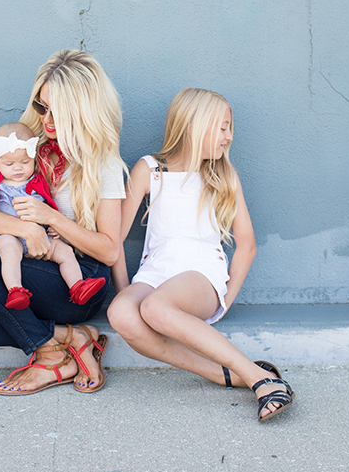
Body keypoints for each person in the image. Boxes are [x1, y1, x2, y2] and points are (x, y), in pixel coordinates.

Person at [0, 49, 126, 395]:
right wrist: (26, 229)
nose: (47, 118)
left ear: (82, 108)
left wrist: (52, 219)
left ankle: (49, 358)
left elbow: (110, 252)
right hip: (21, 271)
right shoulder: (19, 148)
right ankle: (71, 339)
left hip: (76, 281)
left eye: (57, 109)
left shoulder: (104, 164)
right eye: (41, 106)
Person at [107, 88, 294, 423]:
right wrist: (124, 288)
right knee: (121, 313)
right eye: (222, 128)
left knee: (155, 308)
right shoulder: (150, 169)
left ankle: (260, 378)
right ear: (194, 126)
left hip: (200, 274)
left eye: (229, 128)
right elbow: (114, 240)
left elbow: (247, 244)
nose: (229, 136)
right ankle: (218, 372)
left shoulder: (222, 176)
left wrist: (225, 297)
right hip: (155, 273)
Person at [0, 122, 105, 310]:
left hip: (41, 238)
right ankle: (16, 290)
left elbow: (49, 205)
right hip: (8, 235)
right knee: (8, 250)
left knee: (65, 252)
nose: (18, 168)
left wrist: (55, 227)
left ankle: (77, 286)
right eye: (10, 164)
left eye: (25, 162)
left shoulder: (37, 180)